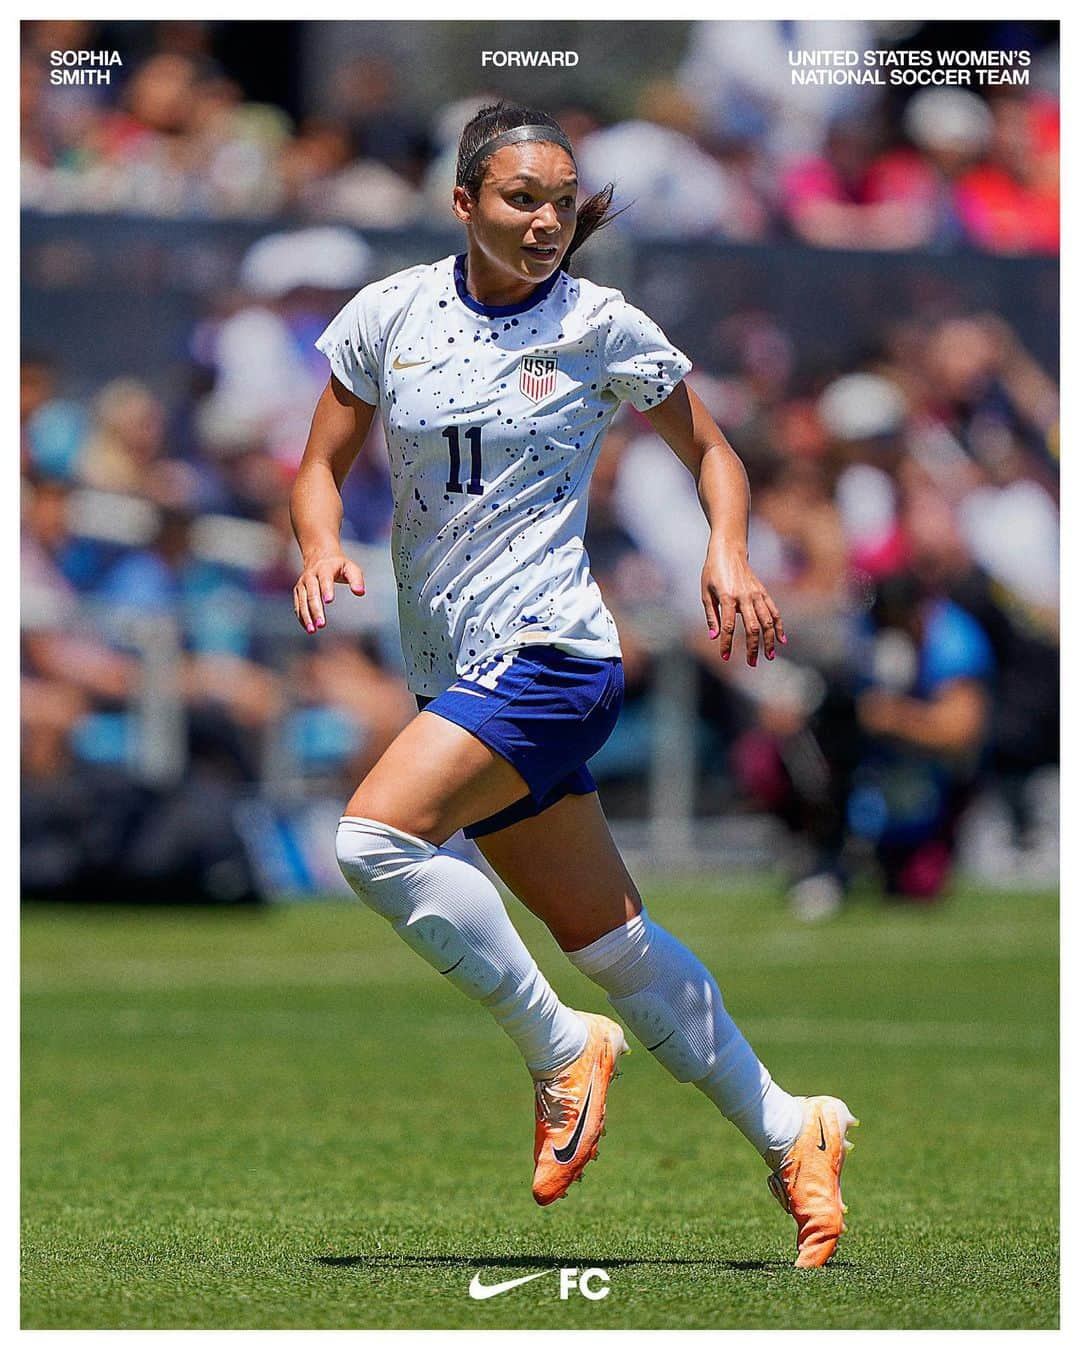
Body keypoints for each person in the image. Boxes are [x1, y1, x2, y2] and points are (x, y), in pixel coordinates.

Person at [290, 103, 857, 1269]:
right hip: (455, 673)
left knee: (372, 841)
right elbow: (318, 465)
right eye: (520, 199)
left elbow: (712, 448)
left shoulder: (601, 325)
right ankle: (792, 1128)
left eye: (560, 201)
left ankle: (560, 1051)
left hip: (553, 657)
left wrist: (729, 548)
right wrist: (316, 544)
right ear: (464, 203)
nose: (546, 220)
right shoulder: (385, 315)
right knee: (614, 941)